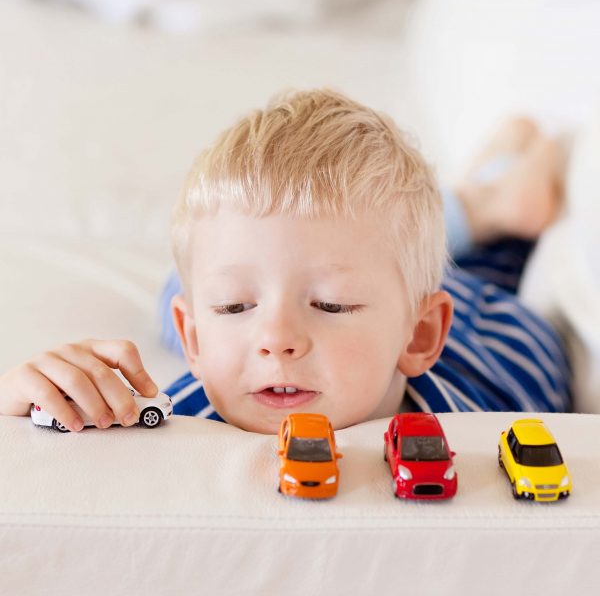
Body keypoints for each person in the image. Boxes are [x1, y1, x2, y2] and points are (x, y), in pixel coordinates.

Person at [0, 89, 570, 434]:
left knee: (455, 264)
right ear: (191, 341)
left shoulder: (481, 423)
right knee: (185, 282)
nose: (275, 339)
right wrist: (34, 400)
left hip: (476, 317)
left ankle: (489, 191)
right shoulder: (178, 414)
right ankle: (480, 187)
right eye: (235, 306)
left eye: (331, 305)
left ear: (420, 335)